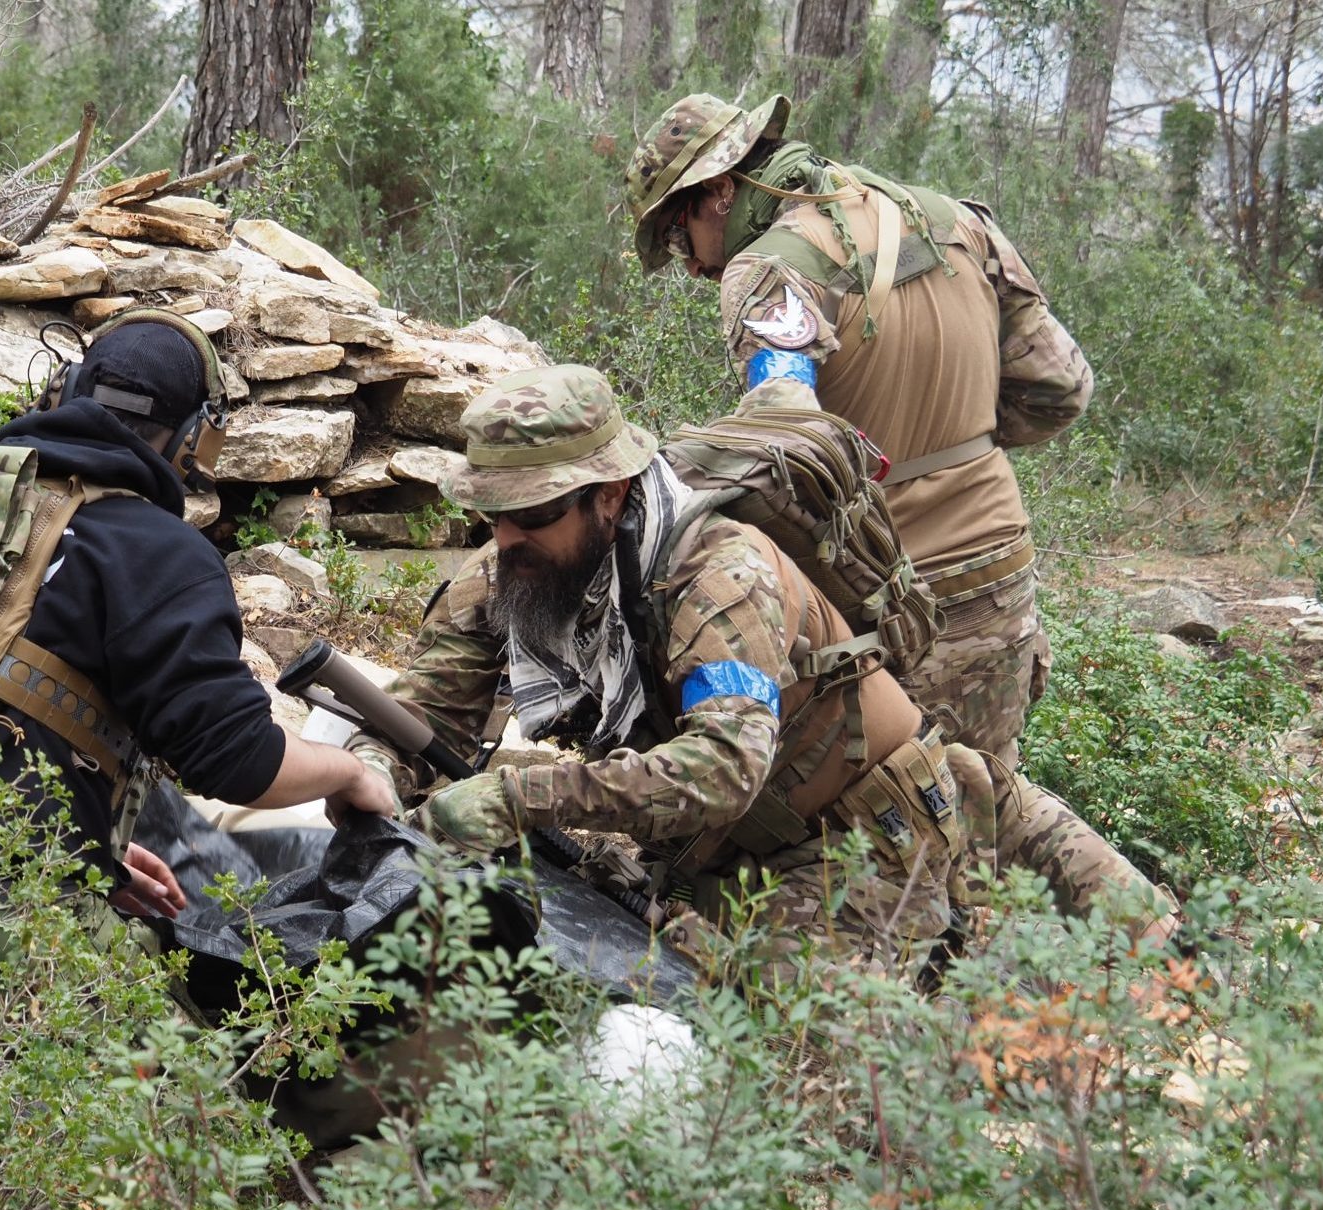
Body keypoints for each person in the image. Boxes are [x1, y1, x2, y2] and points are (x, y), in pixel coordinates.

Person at [357, 365, 1172, 984]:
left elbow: (723, 769)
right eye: (491, 512)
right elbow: (424, 717)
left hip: (865, 837)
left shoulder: (718, 575)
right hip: (723, 858)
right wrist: (371, 774)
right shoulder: (509, 576)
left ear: (609, 495)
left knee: (794, 1073)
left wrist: (519, 797)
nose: (506, 538)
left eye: (534, 513)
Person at [0, 310, 397, 1021]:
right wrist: (352, 773)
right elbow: (238, 761)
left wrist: (93, 862)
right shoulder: (154, 549)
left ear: (64, 389)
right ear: (195, 439)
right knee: (226, 1080)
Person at [623, 92, 1089, 772]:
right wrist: (954, 444)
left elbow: (786, 440)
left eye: (676, 236)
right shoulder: (954, 220)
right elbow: (1062, 387)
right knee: (993, 801)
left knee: (892, 813)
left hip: (899, 602)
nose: (690, 266)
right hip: (1003, 570)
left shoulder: (771, 270)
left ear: (719, 191)